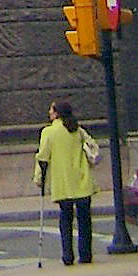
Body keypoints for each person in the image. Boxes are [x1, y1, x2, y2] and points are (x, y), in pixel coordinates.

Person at [35, 98, 97, 265]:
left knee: (66, 219)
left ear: (57, 113)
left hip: (63, 182)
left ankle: (68, 256)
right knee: (85, 220)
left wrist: (39, 178)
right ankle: (86, 255)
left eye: (51, 110)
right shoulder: (77, 130)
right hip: (82, 180)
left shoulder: (48, 132)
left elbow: (43, 158)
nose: (49, 113)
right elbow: (93, 146)